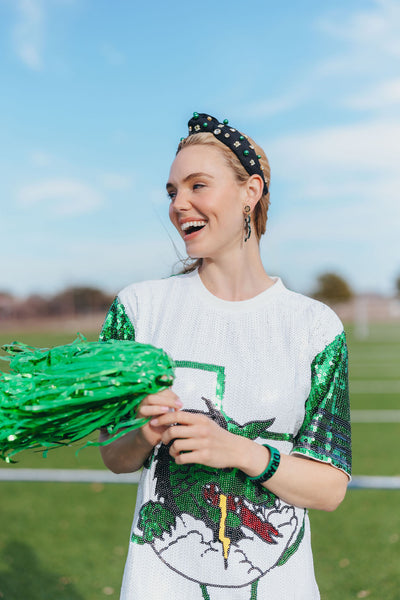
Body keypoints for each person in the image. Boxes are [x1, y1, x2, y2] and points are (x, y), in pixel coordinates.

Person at [99, 112, 351, 600]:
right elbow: (114, 455)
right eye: (172, 191)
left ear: (249, 192)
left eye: (198, 185)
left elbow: (330, 488)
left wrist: (240, 450)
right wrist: (147, 431)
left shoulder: (316, 327)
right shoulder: (138, 309)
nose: (179, 205)